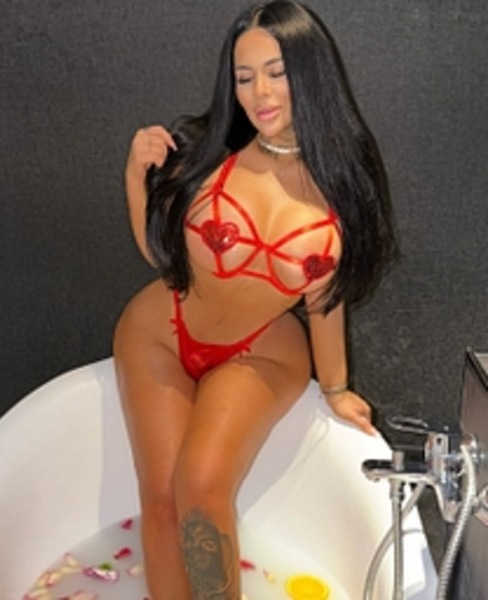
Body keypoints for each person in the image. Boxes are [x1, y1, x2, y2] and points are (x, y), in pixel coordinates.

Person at [113, 1, 396, 598]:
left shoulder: (345, 184)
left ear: (309, 73)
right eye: (244, 77)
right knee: (161, 500)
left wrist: (336, 388)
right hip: (160, 330)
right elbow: (163, 256)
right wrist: (135, 178)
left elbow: (327, 299)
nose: (259, 93)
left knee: (200, 486)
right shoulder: (207, 151)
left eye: (276, 72)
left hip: (258, 348)